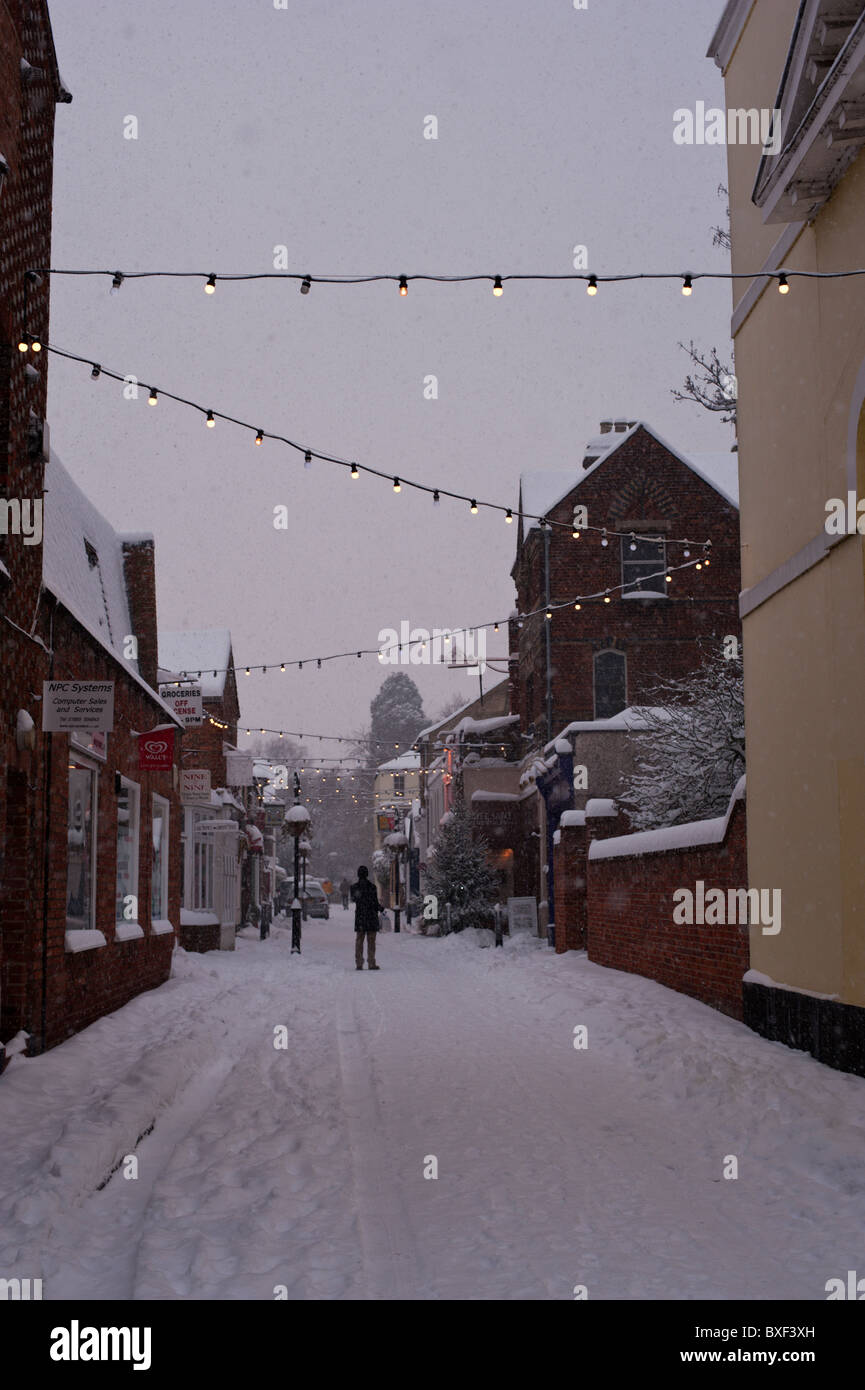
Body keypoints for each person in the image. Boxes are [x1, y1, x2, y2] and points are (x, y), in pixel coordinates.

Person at [350, 865, 382, 970]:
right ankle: (371, 962)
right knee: (371, 941)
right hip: (371, 917)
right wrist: (381, 909)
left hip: (360, 917)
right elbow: (375, 903)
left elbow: (354, 899)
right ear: (367, 874)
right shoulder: (372, 887)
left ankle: (359, 963)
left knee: (359, 941)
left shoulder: (354, 887)